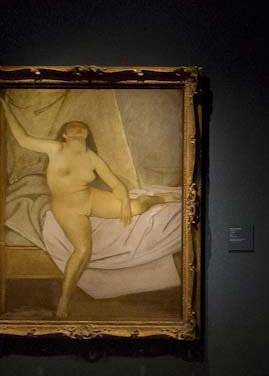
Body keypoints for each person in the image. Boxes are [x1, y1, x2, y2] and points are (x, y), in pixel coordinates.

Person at [1, 96, 178, 318]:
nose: (78, 130)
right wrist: (6, 110)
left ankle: (159, 199)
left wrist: (124, 203)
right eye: (72, 128)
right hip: (68, 209)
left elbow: (115, 183)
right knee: (83, 250)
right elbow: (23, 139)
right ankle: (64, 301)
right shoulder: (55, 149)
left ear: (86, 135)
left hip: (91, 199)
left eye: (82, 128)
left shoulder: (91, 157)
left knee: (137, 208)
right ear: (64, 135)